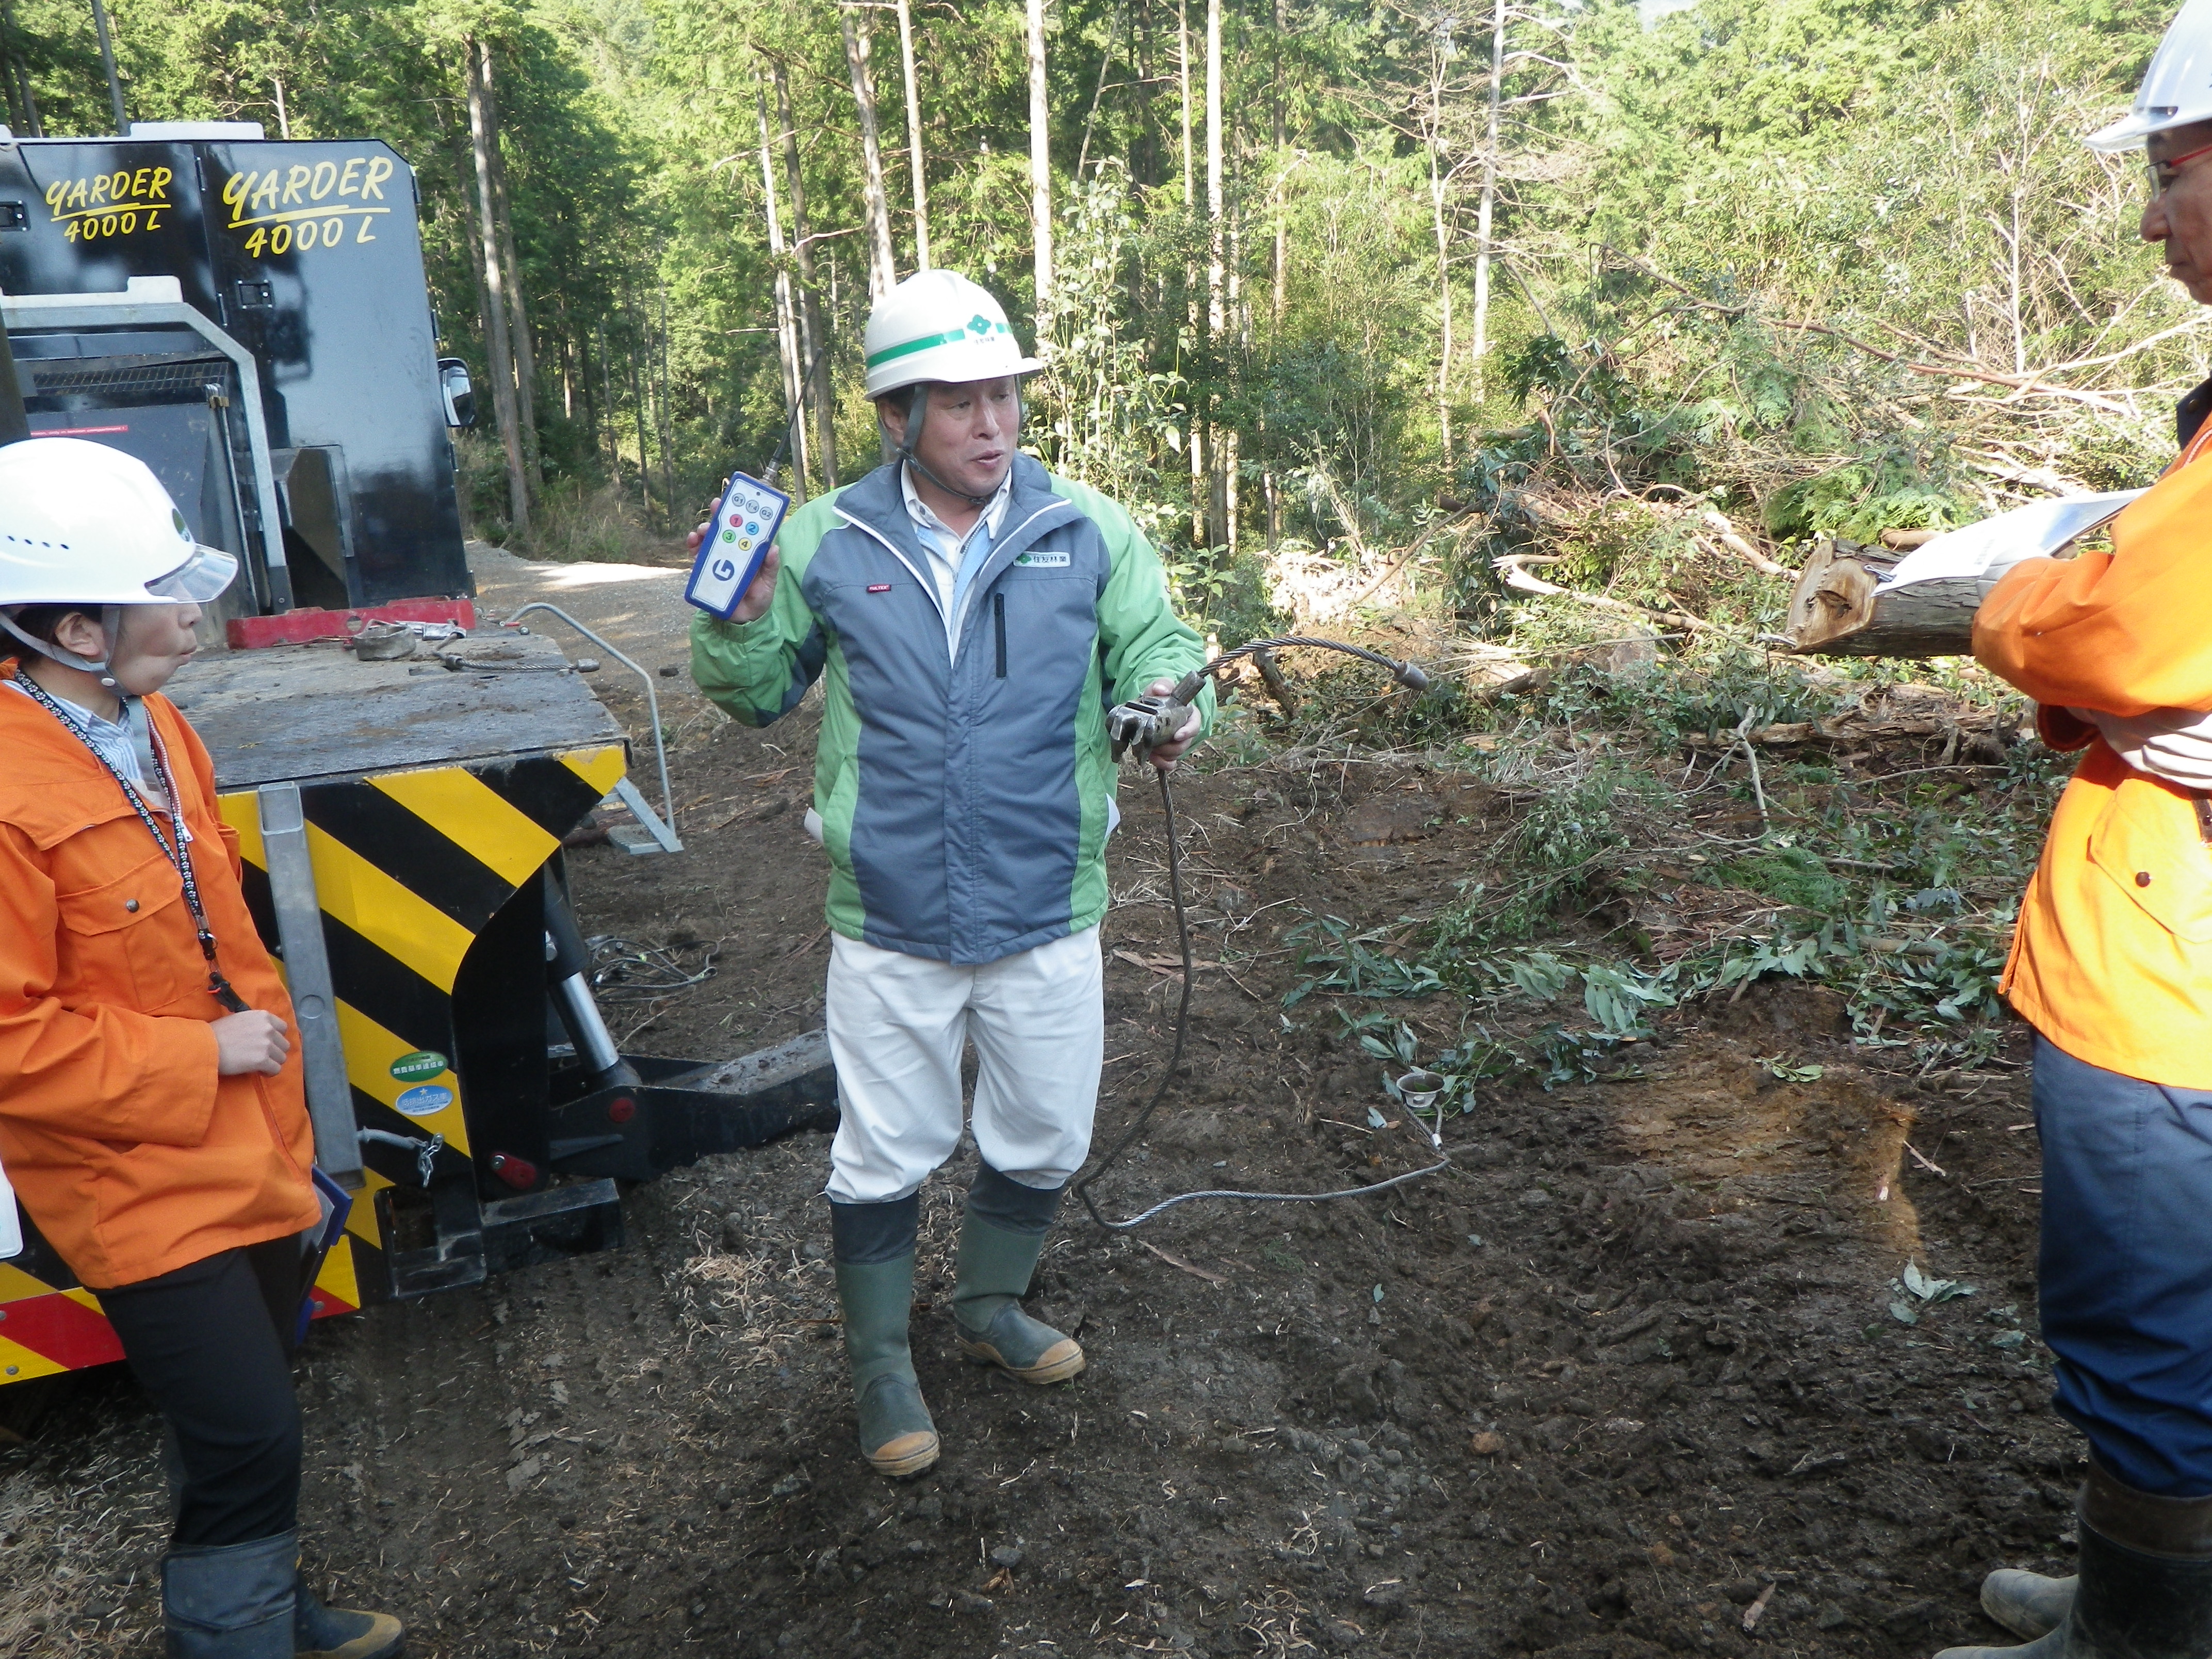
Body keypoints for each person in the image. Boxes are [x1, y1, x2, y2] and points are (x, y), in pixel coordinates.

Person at [690, 269, 1214, 1477]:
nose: (992, 426)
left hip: (1046, 903)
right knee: (884, 1146)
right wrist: (739, 614)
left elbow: (1164, 652)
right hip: (892, 913)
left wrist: (1172, 708)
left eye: (1006, 398)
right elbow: (758, 695)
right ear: (896, 416)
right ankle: (880, 1362)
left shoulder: (1087, 527)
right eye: (960, 404)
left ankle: (985, 1308)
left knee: (1040, 1134)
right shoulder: (824, 536)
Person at [0, 437, 404, 1659]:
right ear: (75, 632)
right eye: (161, 593)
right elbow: (12, 1038)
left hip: (247, 1143)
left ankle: (265, 1604)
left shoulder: (157, 724)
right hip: (128, 1165)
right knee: (248, 1433)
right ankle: (230, 1638)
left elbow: (205, 918)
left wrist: (256, 1074)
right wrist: (205, 1058)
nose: (190, 610)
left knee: (245, 1410)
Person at [1935, 5, 2212, 1655]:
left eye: (2175, 168)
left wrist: (2022, 595)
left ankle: (2141, 1634)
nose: (2151, 212)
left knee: (2154, 1323)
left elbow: (2113, 643)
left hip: (2172, 990)